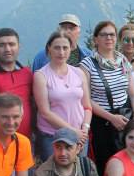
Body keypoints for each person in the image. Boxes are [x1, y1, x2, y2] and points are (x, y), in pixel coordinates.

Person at [80, 21, 134, 173]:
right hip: (102, 123)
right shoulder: (87, 65)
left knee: (127, 163)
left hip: (125, 118)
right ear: (96, 39)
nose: (109, 38)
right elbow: (86, 99)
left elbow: (132, 92)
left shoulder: (123, 61)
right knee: (105, 165)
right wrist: (111, 118)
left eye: (112, 34)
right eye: (104, 35)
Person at [33, 31, 91, 162]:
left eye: (65, 48)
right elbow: (45, 112)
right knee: (54, 173)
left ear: (71, 49)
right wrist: (72, 132)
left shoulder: (79, 73)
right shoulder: (41, 75)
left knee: (79, 171)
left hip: (80, 136)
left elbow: (87, 106)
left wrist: (85, 130)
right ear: (49, 48)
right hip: (53, 136)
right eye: (57, 48)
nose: (61, 52)